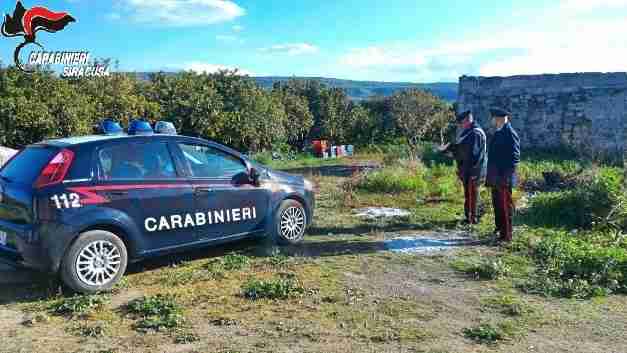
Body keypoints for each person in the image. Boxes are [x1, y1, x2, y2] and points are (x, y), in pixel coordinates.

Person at [441, 110, 487, 224]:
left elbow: (469, 153)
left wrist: (451, 149)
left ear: (467, 121)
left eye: (461, 123)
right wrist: (450, 148)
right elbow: (463, 148)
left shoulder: (475, 133)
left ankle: (472, 219)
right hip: (470, 170)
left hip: (474, 170)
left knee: (472, 195)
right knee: (470, 194)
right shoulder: (469, 132)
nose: (460, 126)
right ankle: (471, 216)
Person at [486, 108, 521, 243]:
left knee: (505, 206)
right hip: (496, 177)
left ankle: (507, 235)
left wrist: (506, 177)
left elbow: (515, 157)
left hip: (503, 178)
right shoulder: (499, 132)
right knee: (498, 204)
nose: (492, 120)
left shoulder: (510, 133)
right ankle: (500, 229)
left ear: (498, 118)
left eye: (493, 118)